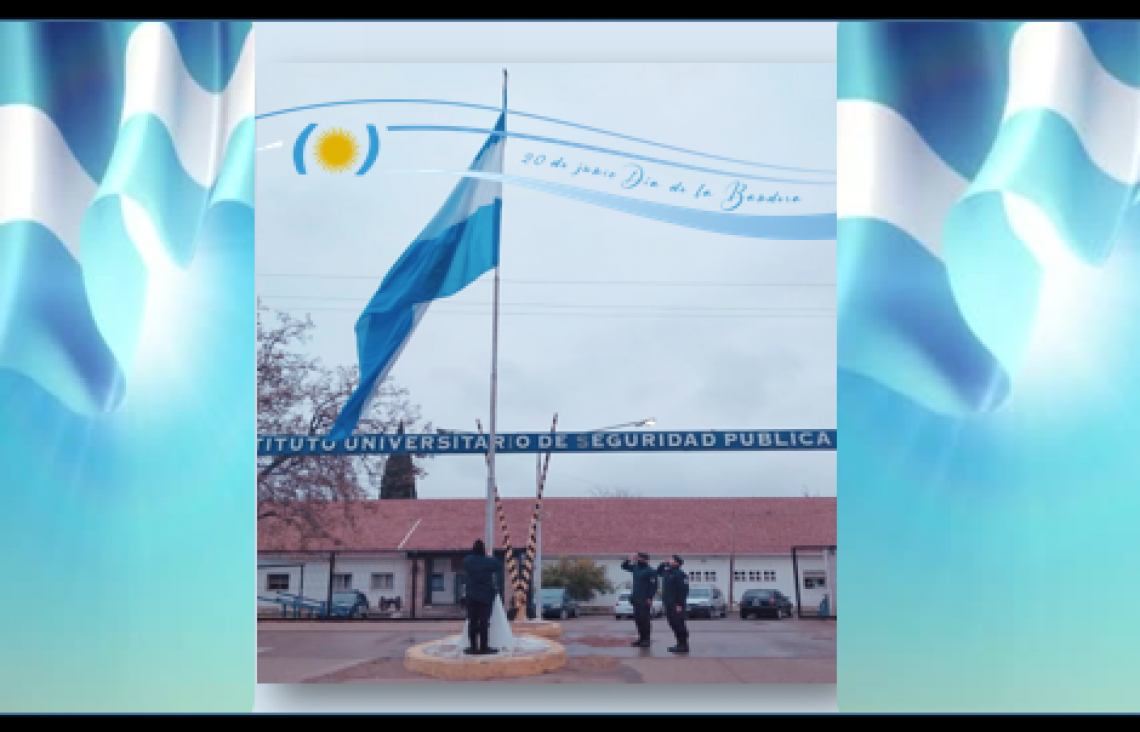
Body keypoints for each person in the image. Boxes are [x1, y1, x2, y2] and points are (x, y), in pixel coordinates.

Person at [462, 539, 504, 655]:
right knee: (484, 622)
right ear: (483, 550)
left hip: (471, 596)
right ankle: (484, 647)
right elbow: (498, 566)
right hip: (485, 596)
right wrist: (489, 557)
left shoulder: (467, 561)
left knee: (473, 621)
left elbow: (466, 563)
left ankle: (473, 647)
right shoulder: (488, 561)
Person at [620, 552, 658, 647]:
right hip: (636, 598)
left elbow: (654, 586)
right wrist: (629, 559)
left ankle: (647, 640)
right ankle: (641, 639)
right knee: (638, 620)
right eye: (638, 558)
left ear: (646, 560)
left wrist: (650, 597)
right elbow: (624, 566)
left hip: (645, 599)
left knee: (645, 620)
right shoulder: (635, 568)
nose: (639, 560)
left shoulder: (650, 571)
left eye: (641, 558)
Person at [657, 555, 690, 653]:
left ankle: (684, 645)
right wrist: (663, 564)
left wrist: (679, 603)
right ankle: (679, 644)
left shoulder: (680, 574)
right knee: (673, 624)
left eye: (671, 559)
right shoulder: (668, 572)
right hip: (668, 603)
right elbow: (658, 572)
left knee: (679, 624)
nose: (669, 560)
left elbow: (683, 590)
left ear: (677, 563)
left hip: (676, 604)